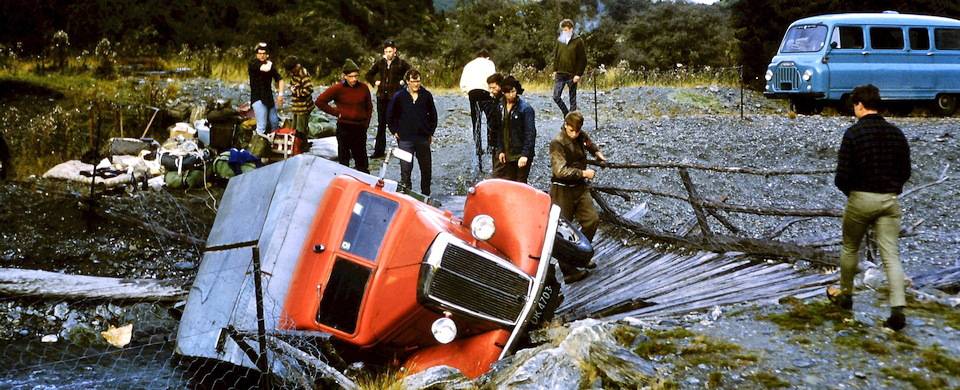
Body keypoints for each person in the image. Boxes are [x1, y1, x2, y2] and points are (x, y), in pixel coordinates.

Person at [830, 84, 911, 331]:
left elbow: (841, 176)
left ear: (860, 105)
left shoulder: (853, 134)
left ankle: (846, 296)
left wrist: (853, 194)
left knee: (850, 246)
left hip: (861, 198)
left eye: (855, 105)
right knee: (891, 255)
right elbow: (906, 171)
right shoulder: (896, 133)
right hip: (889, 200)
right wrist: (893, 189)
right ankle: (897, 308)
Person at [549, 111, 605, 283]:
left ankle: (580, 255)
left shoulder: (580, 135)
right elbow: (560, 171)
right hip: (562, 190)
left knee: (591, 220)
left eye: (577, 131)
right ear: (565, 125)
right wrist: (584, 173)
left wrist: (596, 152)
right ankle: (568, 271)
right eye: (571, 130)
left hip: (579, 188)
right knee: (563, 231)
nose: (574, 134)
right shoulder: (557, 142)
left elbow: (587, 141)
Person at [315, 59, 374, 173]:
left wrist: (366, 124)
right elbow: (320, 101)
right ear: (344, 76)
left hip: (359, 127)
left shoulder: (363, 87)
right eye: (351, 76)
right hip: (344, 127)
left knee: (361, 158)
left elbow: (369, 107)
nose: (354, 79)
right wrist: (336, 113)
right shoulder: (338, 89)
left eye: (356, 76)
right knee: (344, 157)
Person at [387, 69, 438, 195]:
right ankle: (406, 192)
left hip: (422, 137)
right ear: (407, 81)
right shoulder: (399, 96)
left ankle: (426, 193)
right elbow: (390, 114)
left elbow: (433, 115)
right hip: (405, 138)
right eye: (413, 81)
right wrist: (394, 130)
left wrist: (431, 132)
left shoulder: (426, 95)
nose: (416, 84)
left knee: (426, 168)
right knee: (405, 168)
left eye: (418, 81)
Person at [365, 40, 412, 159]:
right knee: (381, 124)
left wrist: (404, 83)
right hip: (382, 97)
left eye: (390, 51)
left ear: (395, 50)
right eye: (386, 52)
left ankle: (403, 150)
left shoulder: (401, 63)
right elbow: (368, 74)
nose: (388, 54)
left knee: (398, 123)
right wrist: (375, 82)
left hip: (395, 97)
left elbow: (411, 72)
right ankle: (379, 151)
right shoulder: (380, 62)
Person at [491, 76, 536, 183]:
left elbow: (530, 133)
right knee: (509, 183)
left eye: (514, 91)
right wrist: (501, 150)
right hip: (508, 153)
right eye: (509, 92)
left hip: (520, 153)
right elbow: (499, 130)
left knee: (520, 184)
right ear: (503, 92)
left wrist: (525, 155)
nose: (512, 95)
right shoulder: (500, 107)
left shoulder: (525, 109)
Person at [460, 50, 496, 169]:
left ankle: (478, 147)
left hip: (472, 93)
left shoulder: (469, 65)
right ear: (487, 57)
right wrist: (492, 95)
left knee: (476, 122)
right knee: (491, 120)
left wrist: (467, 95)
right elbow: (493, 79)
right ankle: (491, 145)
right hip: (485, 92)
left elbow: (463, 84)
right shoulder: (489, 63)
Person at [551, 19, 587, 116]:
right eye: (563, 30)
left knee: (572, 99)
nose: (564, 32)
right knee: (556, 96)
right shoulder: (560, 41)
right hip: (560, 72)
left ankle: (573, 120)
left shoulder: (578, 41)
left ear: (571, 29)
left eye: (566, 30)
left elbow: (582, 59)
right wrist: (555, 69)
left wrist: (578, 74)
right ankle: (567, 116)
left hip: (572, 74)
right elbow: (556, 55)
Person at [248, 42, 284, 135]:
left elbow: (280, 79)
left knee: (274, 122)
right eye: (260, 53)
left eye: (264, 53)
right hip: (258, 98)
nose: (262, 55)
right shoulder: (253, 63)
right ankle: (257, 146)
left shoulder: (270, 65)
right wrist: (270, 62)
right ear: (257, 54)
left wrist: (280, 95)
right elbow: (265, 69)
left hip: (268, 98)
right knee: (261, 125)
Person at [283, 56, 314, 135]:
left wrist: (297, 91)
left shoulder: (303, 73)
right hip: (297, 107)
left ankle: (302, 145)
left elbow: (309, 89)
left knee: (300, 130)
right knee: (294, 129)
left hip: (303, 107)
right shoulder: (295, 74)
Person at [484, 73, 505, 173]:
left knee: (498, 172)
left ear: (500, 86)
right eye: (490, 88)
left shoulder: (502, 102)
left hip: (500, 143)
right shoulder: (495, 101)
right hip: (496, 141)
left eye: (493, 88)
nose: (492, 91)